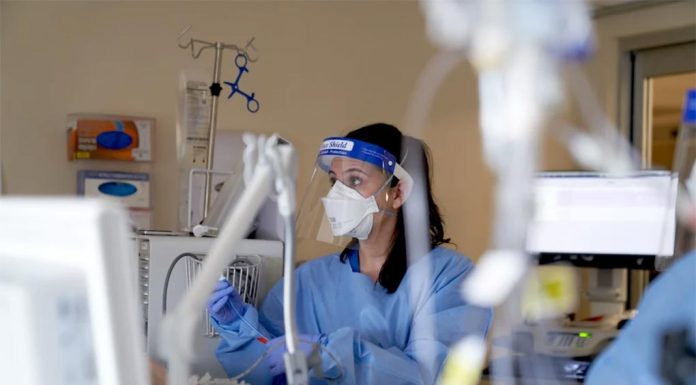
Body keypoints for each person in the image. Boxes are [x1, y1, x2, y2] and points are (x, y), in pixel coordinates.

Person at [207, 123, 492, 385]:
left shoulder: (451, 278)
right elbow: (266, 367)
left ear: (398, 192)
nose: (337, 196)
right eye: (334, 182)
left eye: (354, 180)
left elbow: (431, 376)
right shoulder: (309, 280)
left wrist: (329, 354)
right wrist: (239, 326)